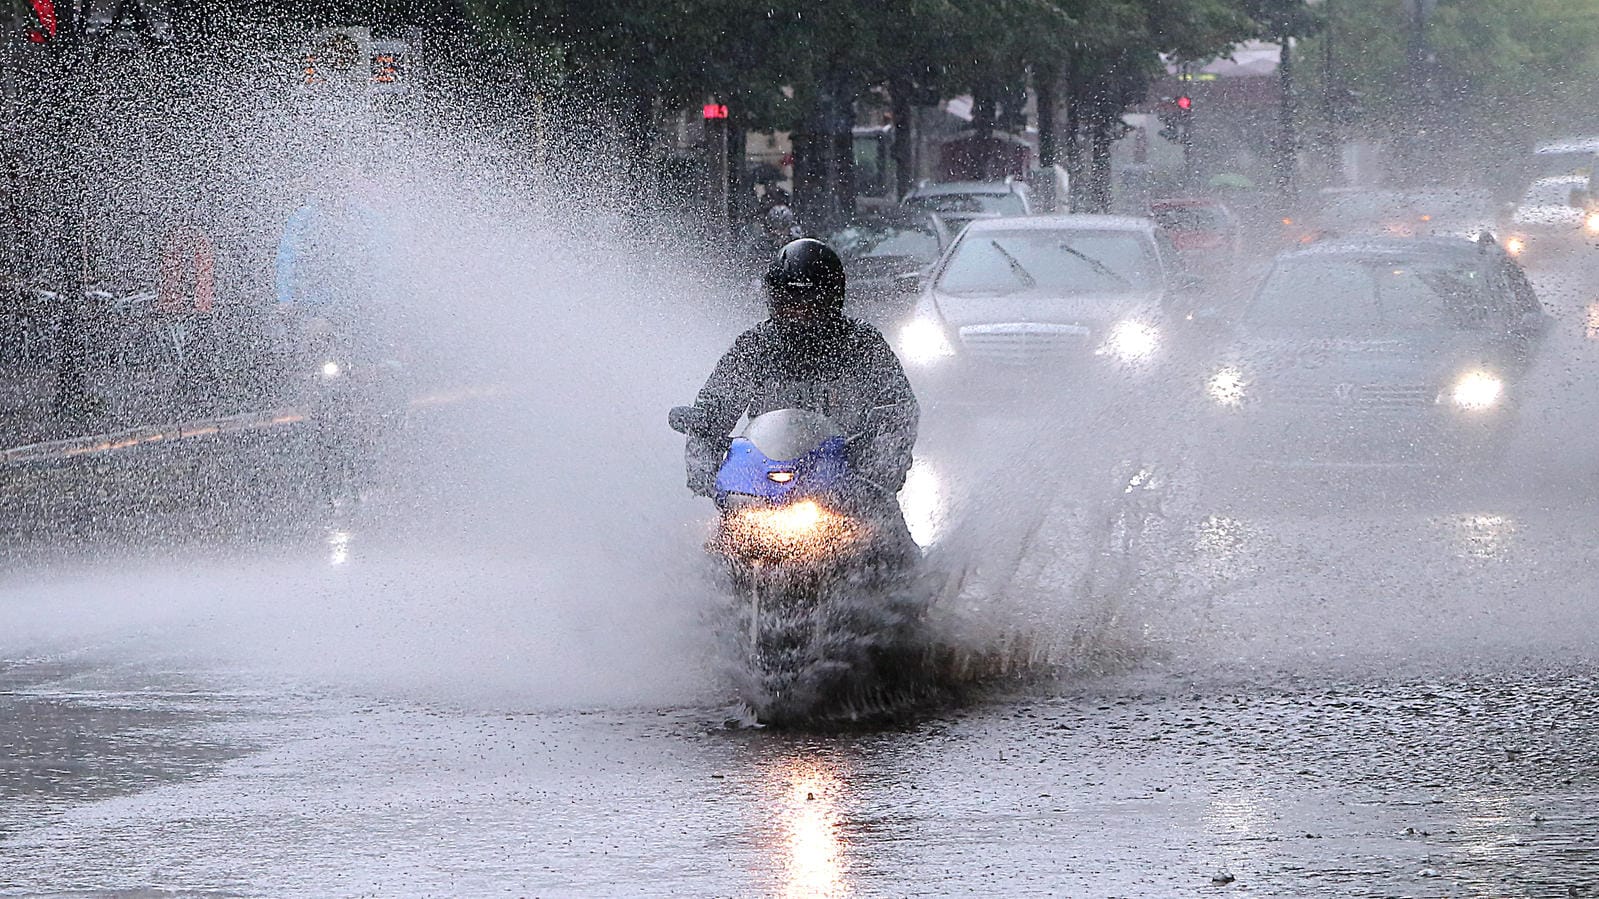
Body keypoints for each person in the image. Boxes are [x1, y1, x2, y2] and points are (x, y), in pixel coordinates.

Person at [681, 238, 920, 560]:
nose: (798, 312)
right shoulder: (755, 346)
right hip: (765, 484)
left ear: (833, 299)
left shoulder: (862, 344)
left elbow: (899, 408)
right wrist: (703, 457)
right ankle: (703, 604)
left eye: (809, 302)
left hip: (847, 481)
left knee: (894, 551)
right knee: (714, 552)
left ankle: (912, 598)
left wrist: (882, 467)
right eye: (788, 302)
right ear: (772, 300)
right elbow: (713, 409)